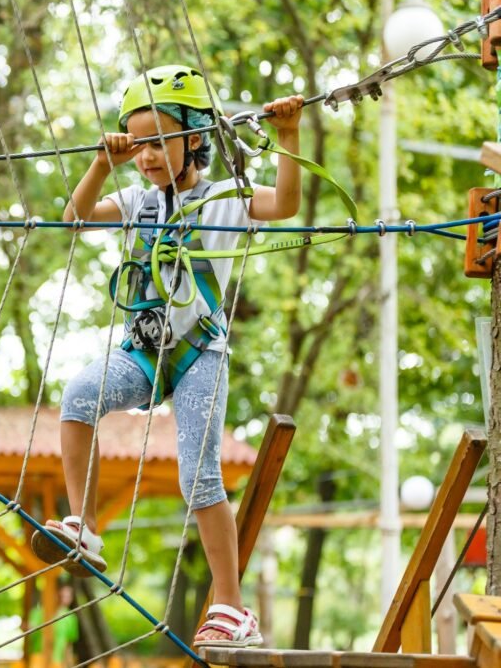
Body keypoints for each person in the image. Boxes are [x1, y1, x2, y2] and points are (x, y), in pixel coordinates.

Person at [30, 64, 304, 648]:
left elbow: (284, 204)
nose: (149, 155)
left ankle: (232, 607)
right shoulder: (136, 199)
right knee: (79, 395)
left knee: (198, 477)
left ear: (195, 138)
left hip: (200, 352)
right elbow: (74, 218)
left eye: (160, 140)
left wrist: (289, 136)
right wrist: (104, 162)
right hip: (144, 350)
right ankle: (83, 526)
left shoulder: (228, 196)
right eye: (140, 143)